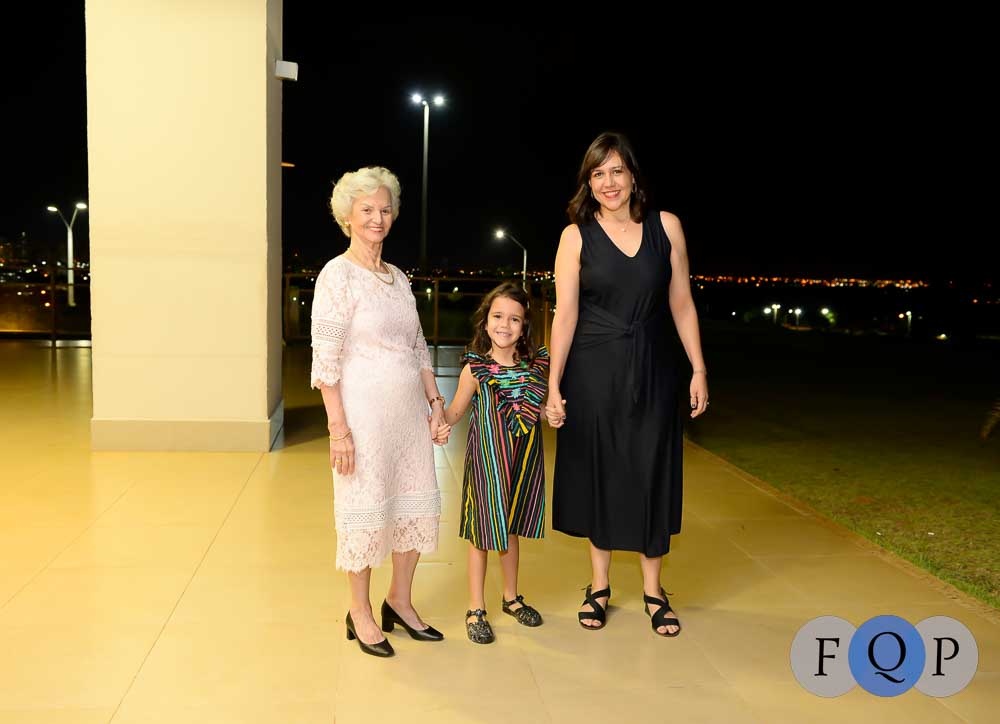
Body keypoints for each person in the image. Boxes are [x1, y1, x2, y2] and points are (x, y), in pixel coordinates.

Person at [544, 132, 709, 637]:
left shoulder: (667, 227)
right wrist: (553, 385)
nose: (608, 182)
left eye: (616, 171)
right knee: (601, 470)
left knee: (651, 470)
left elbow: (681, 303)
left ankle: (654, 591)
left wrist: (698, 368)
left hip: (655, 368)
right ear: (588, 182)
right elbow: (565, 315)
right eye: (598, 174)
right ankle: (599, 586)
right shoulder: (575, 236)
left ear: (633, 176)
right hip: (593, 371)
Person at [310, 165, 448, 657]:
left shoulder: (398, 278)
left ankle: (400, 601)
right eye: (367, 209)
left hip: (408, 418)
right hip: (363, 419)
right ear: (346, 216)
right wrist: (338, 430)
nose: (377, 218)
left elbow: (418, 346)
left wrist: (436, 404)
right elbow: (325, 361)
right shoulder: (337, 275)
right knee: (365, 513)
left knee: (413, 504)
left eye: (385, 209)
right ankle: (360, 610)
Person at [437, 282, 549, 644]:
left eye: (514, 319)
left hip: (521, 463)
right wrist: (439, 419)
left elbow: (537, 411)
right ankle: (475, 608)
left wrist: (551, 414)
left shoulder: (533, 367)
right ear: (485, 322)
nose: (505, 325)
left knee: (510, 527)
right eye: (498, 316)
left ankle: (511, 598)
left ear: (524, 325)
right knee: (482, 532)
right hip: (487, 464)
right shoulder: (476, 368)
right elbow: (456, 411)